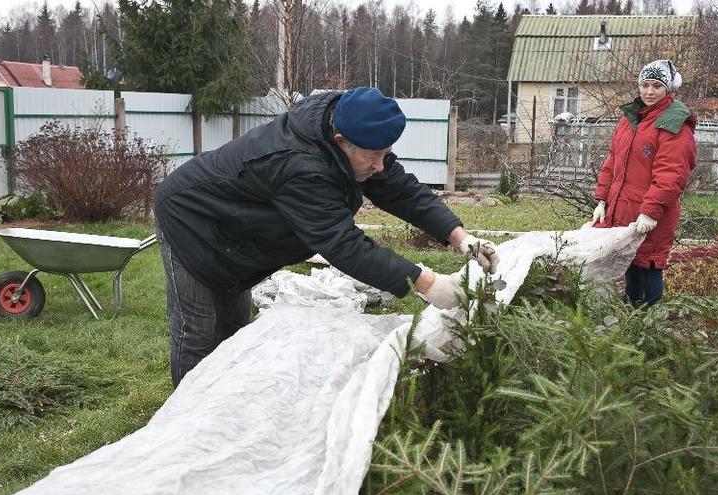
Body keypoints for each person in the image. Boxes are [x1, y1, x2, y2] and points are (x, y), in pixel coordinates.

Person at [153, 87, 499, 386]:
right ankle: (184, 423)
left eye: (386, 153)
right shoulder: (300, 165)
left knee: (234, 328)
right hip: (191, 220)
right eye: (374, 156)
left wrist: (459, 237)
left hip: (236, 231)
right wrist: (428, 284)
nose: (380, 165)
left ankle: (222, 407)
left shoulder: (351, 134)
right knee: (197, 332)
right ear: (340, 142)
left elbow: (399, 189)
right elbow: (344, 245)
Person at [591, 59, 697, 306]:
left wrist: (650, 212)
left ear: (668, 89)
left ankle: (652, 326)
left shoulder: (674, 124)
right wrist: (602, 200)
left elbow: (671, 176)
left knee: (649, 265)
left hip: (651, 214)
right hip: (622, 207)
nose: (649, 92)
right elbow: (612, 161)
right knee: (631, 264)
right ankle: (631, 317)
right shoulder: (630, 119)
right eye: (645, 85)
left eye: (657, 86)